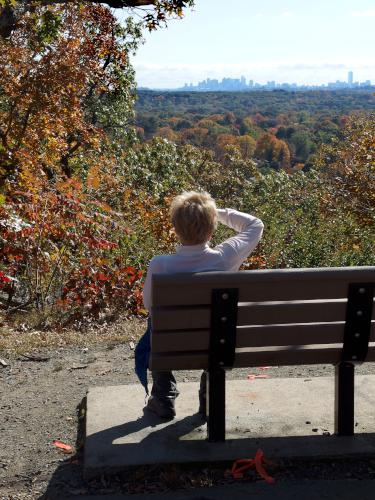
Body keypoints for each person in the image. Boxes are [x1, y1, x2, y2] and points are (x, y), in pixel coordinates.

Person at [135, 191, 264, 420]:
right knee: (217, 323)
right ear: (212, 227)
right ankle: (209, 394)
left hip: (170, 345)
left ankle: (163, 396)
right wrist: (217, 213)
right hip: (217, 345)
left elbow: (149, 305)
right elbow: (255, 224)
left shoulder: (160, 265)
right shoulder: (225, 258)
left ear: (175, 228)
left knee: (156, 321)